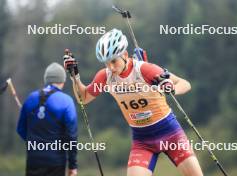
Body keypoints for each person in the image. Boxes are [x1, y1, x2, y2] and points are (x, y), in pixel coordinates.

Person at [64, 28, 203, 176]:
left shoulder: (145, 70)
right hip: (142, 140)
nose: (110, 67)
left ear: (124, 55)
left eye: (113, 61)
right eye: (106, 63)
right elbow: (83, 98)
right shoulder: (105, 77)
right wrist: (75, 77)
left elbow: (185, 83)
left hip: (169, 133)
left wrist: (171, 88)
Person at [17, 62, 78, 176]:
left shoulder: (31, 98)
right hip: (56, 163)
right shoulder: (66, 101)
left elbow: (21, 129)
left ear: (46, 80)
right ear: (63, 81)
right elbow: (72, 137)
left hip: (33, 161)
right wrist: (72, 166)